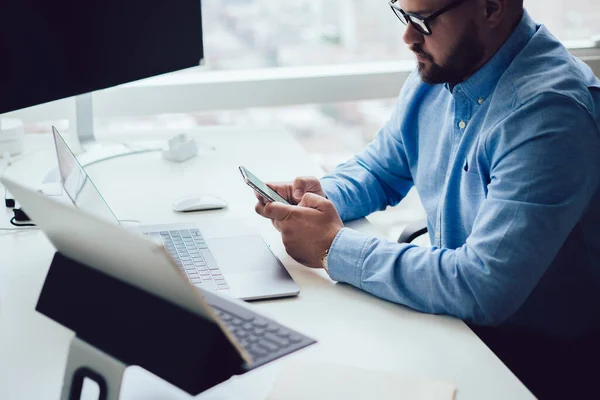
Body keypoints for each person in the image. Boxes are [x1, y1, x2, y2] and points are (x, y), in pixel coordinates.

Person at [255, 0, 600, 397]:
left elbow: (481, 287)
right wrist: (314, 200)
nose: (408, 37)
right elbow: (381, 169)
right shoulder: (447, 67)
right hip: (454, 324)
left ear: (491, 8)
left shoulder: (550, 115)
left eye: (423, 21)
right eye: (403, 15)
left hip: (532, 362)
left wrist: (333, 248)